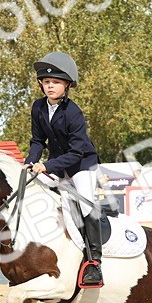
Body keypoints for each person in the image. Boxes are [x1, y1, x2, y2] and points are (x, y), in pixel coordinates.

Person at [24, 51, 104, 288]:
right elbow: (38, 141)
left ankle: (94, 263)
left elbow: (76, 152)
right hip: (57, 162)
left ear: (67, 85)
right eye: (46, 82)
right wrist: (31, 161)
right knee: (37, 191)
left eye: (55, 83)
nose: (50, 86)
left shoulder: (73, 113)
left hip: (81, 164)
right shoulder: (38, 107)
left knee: (87, 203)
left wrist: (46, 165)